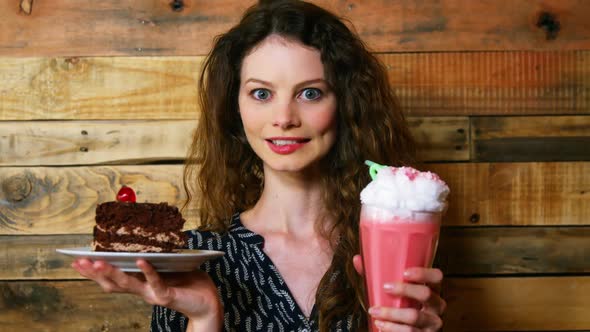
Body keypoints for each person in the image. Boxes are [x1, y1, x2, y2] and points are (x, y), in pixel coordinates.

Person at [72, 0, 446, 331]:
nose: (284, 118)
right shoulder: (191, 259)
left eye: (310, 93)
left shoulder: (387, 251)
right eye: (262, 93)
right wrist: (205, 320)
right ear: (236, 108)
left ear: (345, 105)